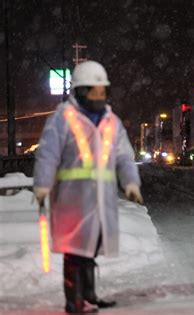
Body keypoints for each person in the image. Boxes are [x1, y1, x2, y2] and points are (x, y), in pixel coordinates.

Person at [33, 60, 143, 314]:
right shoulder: (62, 118)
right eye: (95, 91)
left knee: (90, 247)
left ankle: (90, 295)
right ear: (81, 91)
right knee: (75, 251)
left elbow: (125, 156)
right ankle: (74, 301)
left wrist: (131, 182)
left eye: (103, 91)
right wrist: (42, 185)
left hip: (101, 200)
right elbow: (48, 154)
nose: (100, 96)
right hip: (72, 199)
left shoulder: (111, 121)